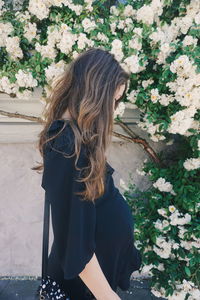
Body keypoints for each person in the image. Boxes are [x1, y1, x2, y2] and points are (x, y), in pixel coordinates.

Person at [35, 47, 142, 300]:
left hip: (95, 282)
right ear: (96, 95)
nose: (114, 109)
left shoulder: (77, 139)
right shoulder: (66, 146)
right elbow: (75, 243)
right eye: (114, 100)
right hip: (86, 289)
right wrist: (107, 296)